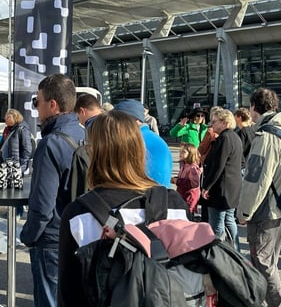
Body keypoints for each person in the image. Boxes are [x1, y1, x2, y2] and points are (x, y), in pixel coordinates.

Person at [58, 110, 189, 306]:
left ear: (95, 153)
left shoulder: (78, 214)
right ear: (138, 150)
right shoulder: (175, 205)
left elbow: (69, 295)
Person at [19, 74, 85, 307]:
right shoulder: (86, 135)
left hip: (52, 240)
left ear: (53, 105)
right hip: (83, 234)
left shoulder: (50, 144)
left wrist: (28, 235)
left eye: (38, 102)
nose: (36, 109)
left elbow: (42, 206)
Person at [236, 87, 281, 307]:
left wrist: (244, 212)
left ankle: (277, 303)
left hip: (265, 208)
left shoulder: (266, 136)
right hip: (280, 205)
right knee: (269, 260)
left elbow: (256, 180)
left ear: (253, 107)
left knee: (262, 262)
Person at [201, 108, 243, 251]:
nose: (211, 125)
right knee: (229, 220)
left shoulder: (224, 138)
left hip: (221, 188)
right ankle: (236, 250)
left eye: (214, 122)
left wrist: (207, 186)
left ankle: (217, 254)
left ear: (224, 123)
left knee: (217, 224)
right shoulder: (235, 137)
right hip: (232, 187)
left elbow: (218, 165)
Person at [116, 99, 173, 187]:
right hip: (161, 195)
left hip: (143, 196)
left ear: (132, 119)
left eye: (117, 120)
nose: (114, 125)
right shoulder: (158, 140)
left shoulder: (133, 140)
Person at [0, 108, 33, 175]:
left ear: (16, 117)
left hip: (16, 167)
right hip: (7, 166)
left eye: (8, 117)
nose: (6, 119)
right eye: (6, 117)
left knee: (16, 184)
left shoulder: (22, 129)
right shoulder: (7, 130)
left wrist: (21, 165)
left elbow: (27, 149)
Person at [171, 142, 201, 215]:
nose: (180, 154)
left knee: (188, 215)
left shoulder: (192, 167)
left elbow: (194, 184)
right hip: (182, 195)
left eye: (183, 152)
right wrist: (176, 179)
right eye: (180, 151)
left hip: (189, 198)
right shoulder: (184, 165)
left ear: (190, 154)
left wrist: (178, 181)